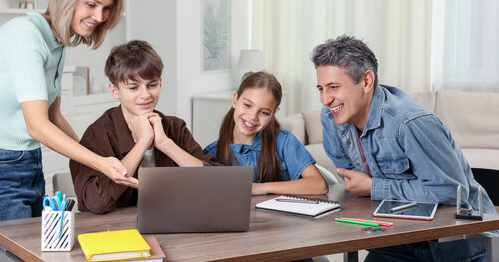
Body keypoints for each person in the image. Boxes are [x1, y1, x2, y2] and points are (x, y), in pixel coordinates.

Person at [0, 0, 137, 262]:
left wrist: (99, 158)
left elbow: (54, 117)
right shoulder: (26, 36)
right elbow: (38, 126)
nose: (99, 16)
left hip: (27, 163)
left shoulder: (58, 42)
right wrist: (99, 163)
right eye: (91, 4)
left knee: (40, 255)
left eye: (106, 8)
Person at [312, 35, 494, 262]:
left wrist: (374, 187)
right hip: (395, 236)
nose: (325, 99)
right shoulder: (331, 120)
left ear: (367, 82)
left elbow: (451, 192)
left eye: (334, 87)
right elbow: (353, 183)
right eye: (321, 88)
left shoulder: (410, 122)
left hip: (451, 243)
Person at [70, 40, 221, 214]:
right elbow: (96, 203)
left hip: (173, 223)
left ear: (161, 82)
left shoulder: (175, 127)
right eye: (133, 87)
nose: (146, 95)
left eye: (152, 85)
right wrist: (142, 143)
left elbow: (217, 183)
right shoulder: (98, 134)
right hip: (117, 231)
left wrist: (164, 143)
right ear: (115, 91)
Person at [204, 71, 328, 196]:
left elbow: (319, 185)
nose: (252, 116)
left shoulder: (284, 142)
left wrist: (261, 188)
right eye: (247, 105)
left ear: (272, 115)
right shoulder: (213, 153)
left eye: (264, 112)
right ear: (235, 99)